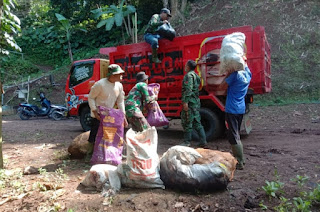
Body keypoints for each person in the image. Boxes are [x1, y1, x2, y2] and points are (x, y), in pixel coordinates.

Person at [87, 64, 128, 145]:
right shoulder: (100, 84)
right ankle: (90, 153)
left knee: (108, 137)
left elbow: (120, 101)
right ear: (113, 75)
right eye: (120, 74)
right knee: (94, 136)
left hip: (109, 114)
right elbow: (91, 97)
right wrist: (95, 112)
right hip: (98, 115)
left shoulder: (119, 86)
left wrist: (123, 116)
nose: (122, 76)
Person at [224, 58, 252, 170]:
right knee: (236, 134)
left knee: (233, 136)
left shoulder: (235, 75)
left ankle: (240, 161)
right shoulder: (248, 74)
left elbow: (222, 86)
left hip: (231, 109)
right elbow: (246, 67)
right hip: (240, 108)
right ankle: (239, 159)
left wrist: (229, 73)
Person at [180, 60, 207, 148]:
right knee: (197, 121)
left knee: (187, 121)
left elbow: (189, 89)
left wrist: (185, 102)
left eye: (186, 65)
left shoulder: (189, 76)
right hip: (195, 102)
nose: (185, 66)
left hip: (190, 102)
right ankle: (203, 141)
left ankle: (187, 142)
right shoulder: (196, 76)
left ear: (188, 66)